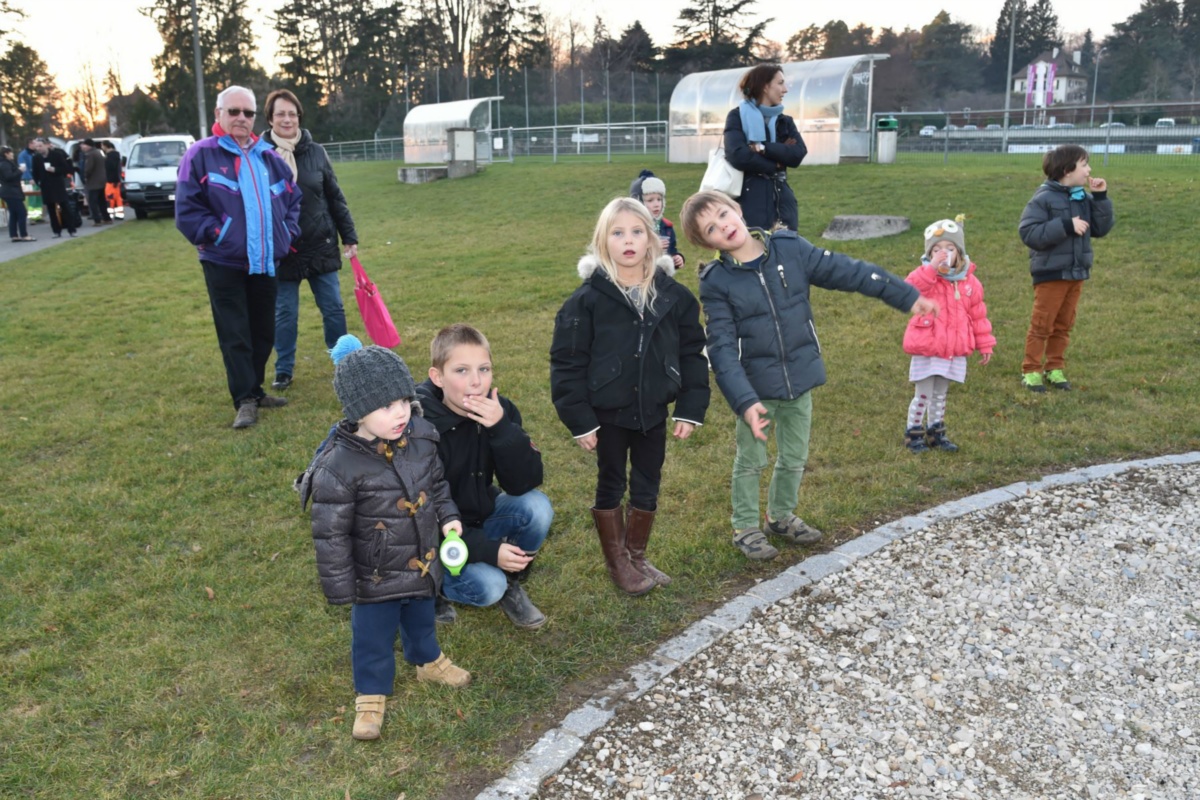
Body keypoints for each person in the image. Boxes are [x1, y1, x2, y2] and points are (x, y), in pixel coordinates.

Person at [679, 190, 938, 561]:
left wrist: (905, 295)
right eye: (711, 229)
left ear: (736, 209)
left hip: (800, 379)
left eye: (723, 214)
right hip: (755, 390)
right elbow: (720, 348)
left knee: (794, 456)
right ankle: (745, 527)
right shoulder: (717, 281)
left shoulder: (790, 248)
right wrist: (745, 401)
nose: (723, 226)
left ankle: (780, 517)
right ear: (708, 244)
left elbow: (852, 272)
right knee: (751, 461)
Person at [300, 335, 470, 741]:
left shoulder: (421, 438)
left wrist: (449, 519)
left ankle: (427, 660)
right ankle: (371, 694)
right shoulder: (339, 466)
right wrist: (342, 588)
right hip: (373, 576)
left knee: (421, 617)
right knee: (373, 637)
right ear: (358, 411)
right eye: (385, 406)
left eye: (404, 401)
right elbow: (330, 535)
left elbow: (437, 485)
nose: (400, 413)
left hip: (421, 560)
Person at [550, 197, 710, 595]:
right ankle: (617, 561)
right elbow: (567, 363)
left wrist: (689, 408)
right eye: (617, 233)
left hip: (652, 410)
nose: (628, 240)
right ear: (602, 241)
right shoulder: (586, 301)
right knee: (611, 481)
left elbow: (693, 353)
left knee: (648, 480)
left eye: (637, 232)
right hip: (607, 414)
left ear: (652, 239)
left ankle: (636, 555)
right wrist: (581, 420)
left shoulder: (673, 296)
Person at [175, 85, 302, 429]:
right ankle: (244, 398)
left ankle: (256, 390)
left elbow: (293, 200)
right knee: (235, 333)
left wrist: (286, 233)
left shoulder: (268, 157)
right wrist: (220, 235)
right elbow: (187, 210)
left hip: (265, 261)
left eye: (248, 112)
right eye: (234, 111)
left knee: (263, 331)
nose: (242, 118)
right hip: (224, 262)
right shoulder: (200, 155)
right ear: (219, 114)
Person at [416, 323, 553, 629]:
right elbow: (419, 517)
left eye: (484, 369)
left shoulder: (500, 410)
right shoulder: (419, 426)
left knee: (537, 506)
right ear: (437, 377)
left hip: (480, 516)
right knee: (489, 587)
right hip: (432, 537)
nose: (476, 381)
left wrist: (502, 428)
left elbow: (524, 483)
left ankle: (511, 579)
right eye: (461, 371)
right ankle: (431, 584)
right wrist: (489, 551)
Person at [262, 88, 357, 392]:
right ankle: (283, 369)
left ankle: (344, 365)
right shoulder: (260, 155)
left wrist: (348, 235)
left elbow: (335, 196)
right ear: (270, 119)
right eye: (280, 114)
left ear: (299, 117)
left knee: (333, 309)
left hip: (320, 243)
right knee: (285, 314)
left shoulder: (316, 152)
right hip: (283, 249)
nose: (287, 119)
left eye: (292, 113)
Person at [1018, 144, 1114, 393]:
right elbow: (1029, 233)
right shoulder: (1043, 198)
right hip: (1051, 274)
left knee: (1063, 324)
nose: (1089, 170)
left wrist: (1100, 198)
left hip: (1076, 272)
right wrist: (1066, 225)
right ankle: (1031, 370)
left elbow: (1101, 228)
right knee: (1042, 324)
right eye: (1084, 165)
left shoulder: (1082, 197)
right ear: (1067, 170)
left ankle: (1055, 368)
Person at [901, 217, 995, 453]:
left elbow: (978, 316)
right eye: (937, 250)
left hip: (952, 349)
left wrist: (985, 344)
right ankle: (913, 433)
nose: (943, 254)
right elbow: (909, 289)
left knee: (940, 394)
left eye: (950, 248)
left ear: (959, 252)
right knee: (923, 393)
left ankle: (937, 433)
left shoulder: (969, 282)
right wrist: (931, 268)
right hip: (927, 346)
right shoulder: (926, 276)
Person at [722, 64, 807, 232]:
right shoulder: (737, 116)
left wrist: (762, 147)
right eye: (780, 83)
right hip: (750, 202)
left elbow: (798, 153)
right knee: (756, 244)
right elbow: (738, 155)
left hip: (783, 201)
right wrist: (777, 162)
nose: (785, 89)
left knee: (786, 245)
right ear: (765, 87)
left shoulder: (785, 121)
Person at [630, 172, 685, 270]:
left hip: (663, 276)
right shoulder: (634, 227)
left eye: (659, 199)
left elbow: (672, 249)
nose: (656, 204)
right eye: (650, 200)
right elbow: (630, 252)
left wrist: (676, 258)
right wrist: (653, 246)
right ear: (639, 202)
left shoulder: (667, 226)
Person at [30, 138, 78, 238]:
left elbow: (66, 168)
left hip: (58, 184)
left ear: (46, 145)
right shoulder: (36, 158)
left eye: (40, 146)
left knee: (65, 207)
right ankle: (56, 231)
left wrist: (55, 170)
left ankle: (71, 230)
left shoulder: (56, 155)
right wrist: (37, 181)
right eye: (37, 146)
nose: (38, 148)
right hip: (46, 186)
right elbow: (35, 172)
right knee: (51, 210)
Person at [1, 146, 35, 242]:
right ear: (6, 154)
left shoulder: (5, 163)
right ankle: (24, 235)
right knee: (22, 213)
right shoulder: (5, 164)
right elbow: (8, 177)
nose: (12, 154)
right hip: (11, 192)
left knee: (14, 214)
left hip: (9, 192)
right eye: (11, 152)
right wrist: (20, 171)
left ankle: (14, 235)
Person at [80, 139, 111, 225]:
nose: (82, 147)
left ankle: (97, 220)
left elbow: (88, 168)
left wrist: (85, 176)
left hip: (94, 182)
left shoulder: (90, 154)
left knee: (92, 201)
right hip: (102, 180)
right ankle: (106, 218)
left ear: (88, 145)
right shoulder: (99, 152)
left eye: (84, 145)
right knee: (102, 201)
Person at [101, 140, 123, 220]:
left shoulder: (110, 156)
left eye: (102, 146)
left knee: (109, 198)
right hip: (115, 180)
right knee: (117, 197)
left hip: (111, 180)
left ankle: (110, 215)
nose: (102, 147)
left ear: (105, 146)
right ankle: (119, 214)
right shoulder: (115, 155)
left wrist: (114, 180)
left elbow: (112, 168)